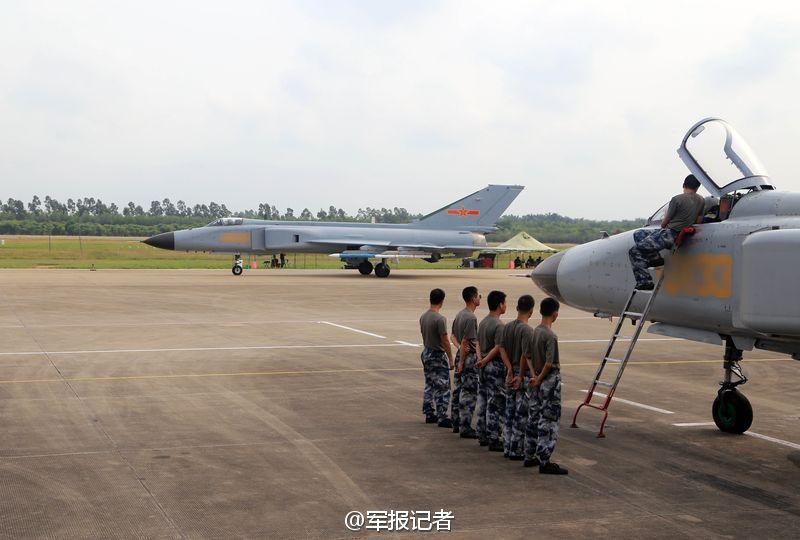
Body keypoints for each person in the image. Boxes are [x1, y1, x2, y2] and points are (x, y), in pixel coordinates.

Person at [628, 175, 705, 290]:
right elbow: (698, 221)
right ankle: (655, 259)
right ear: (697, 187)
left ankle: (645, 282)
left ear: (683, 185)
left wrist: (667, 226)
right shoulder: (701, 200)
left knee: (634, 251)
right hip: (681, 234)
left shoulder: (676, 199)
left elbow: (664, 223)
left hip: (670, 234)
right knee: (639, 234)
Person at [521, 297, 568, 475]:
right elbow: (549, 363)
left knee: (533, 417)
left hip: (536, 381)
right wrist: (540, 378)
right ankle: (545, 460)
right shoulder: (550, 335)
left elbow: (527, 356)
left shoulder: (533, 332)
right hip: (548, 381)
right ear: (555, 313)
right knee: (549, 420)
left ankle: (529, 454)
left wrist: (534, 375)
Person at [499, 294, 535, 460]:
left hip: (510, 372)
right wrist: (520, 375)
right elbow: (525, 355)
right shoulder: (527, 330)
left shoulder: (507, 327)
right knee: (522, 414)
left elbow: (501, 349)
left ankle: (507, 446)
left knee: (509, 412)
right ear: (531, 310)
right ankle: (516, 449)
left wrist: (509, 370)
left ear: (517, 308)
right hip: (522, 374)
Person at [475, 290, 510, 452]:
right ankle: (493, 437)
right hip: (493, 366)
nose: (505, 306)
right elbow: (498, 347)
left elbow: (478, 343)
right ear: (500, 305)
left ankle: (482, 433)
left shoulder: (483, 322)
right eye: (504, 302)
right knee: (496, 403)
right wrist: (485, 360)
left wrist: (480, 359)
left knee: (483, 400)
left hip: (482, 366)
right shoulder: (499, 325)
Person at [419, 288, 454, 428]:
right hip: (437, 355)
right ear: (442, 301)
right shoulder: (440, 319)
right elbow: (445, 340)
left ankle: (429, 412)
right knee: (443, 386)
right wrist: (450, 358)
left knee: (430, 384)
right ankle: (442, 415)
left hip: (427, 352)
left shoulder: (424, 316)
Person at [450, 286, 482, 438]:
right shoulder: (470, 318)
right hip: (467, 358)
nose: (479, 298)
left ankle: (456, 423)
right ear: (473, 298)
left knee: (458, 390)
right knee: (469, 392)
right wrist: (463, 360)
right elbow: (465, 341)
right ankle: (465, 426)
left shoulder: (460, 314)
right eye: (478, 296)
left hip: (460, 355)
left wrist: (459, 352)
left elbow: (453, 337)